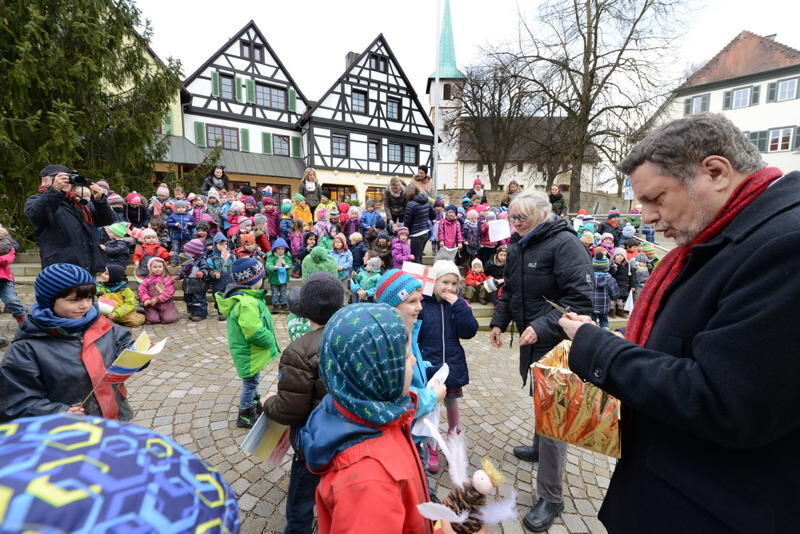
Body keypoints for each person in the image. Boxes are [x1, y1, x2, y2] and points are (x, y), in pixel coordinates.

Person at [557, 113, 800, 533]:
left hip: (711, 508)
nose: (647, 217)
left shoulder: (784, 245)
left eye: (657, 198)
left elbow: (726, 401)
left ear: (715, 172)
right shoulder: (725, 237)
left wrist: (599, 349)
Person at [488, 189, 593, 532]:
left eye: (521, 217)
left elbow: (579, 299)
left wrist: (541, 325)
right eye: (511, 217)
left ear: (543, 214)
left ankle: (552, 496)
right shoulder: (520, 244)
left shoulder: (565, 245)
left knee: (554, 417)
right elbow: (511, 291)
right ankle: (537, 447)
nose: (514, 223)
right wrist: (498, 321)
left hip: (560, 344)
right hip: (533, 342)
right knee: (539, 398)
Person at [298, 304, 433, 534]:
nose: (412, 362)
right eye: (406, 355)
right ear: (375, 371)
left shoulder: (360, 407)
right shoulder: (370, 484)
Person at [0, 264, 136, 422]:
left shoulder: (98, 322)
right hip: (69, 433)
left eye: (88, 297)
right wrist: (57, 413)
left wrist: (138, 353)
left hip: (114, 418)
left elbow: (122, 344)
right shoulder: (27, 348)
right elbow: (14, 402)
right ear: (49, 301)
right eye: (74, 300)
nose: (85, 305)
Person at [262, 273, 344, 534]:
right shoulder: (352, 337)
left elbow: (290, 409)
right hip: (349, 436)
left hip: (314, 442)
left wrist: (268, 403)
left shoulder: (298, 350)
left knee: (300, 504)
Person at [418, 260, 479, 473]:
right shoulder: (423, 304)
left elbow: (469, 331)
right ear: (434, 282)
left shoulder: (458, 305)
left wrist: (460, 307)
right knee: (432, 407)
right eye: (445, 282)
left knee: (452, 403)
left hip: (452, 363)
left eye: (454, 283)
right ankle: (432, 447)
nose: (450, 288)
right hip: (430, 364)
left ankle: (454, 438)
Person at [216, 258, 281, 428]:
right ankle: (244, 414)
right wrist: (269, 340)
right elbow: (253, 330)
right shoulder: (247, 303)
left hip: (249, 352)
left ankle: (253, 405)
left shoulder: (247, 298)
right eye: (261, 277)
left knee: (253, 381)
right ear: (252, 280)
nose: (263, 280)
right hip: (249, 353)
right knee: (250, 382)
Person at [25, 165, 116, 273]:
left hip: (88, 267)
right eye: (58, 177)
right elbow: (36, 214)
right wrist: (55, 190)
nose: (64, 181)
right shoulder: (36, 200)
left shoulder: (77, 202)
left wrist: (99, 201)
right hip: (60, 269)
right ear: (44, 181)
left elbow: (107, 220)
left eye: (67, 178)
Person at [137, 258, 179, 325]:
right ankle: (148, 313)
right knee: (153, 320)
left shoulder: (167, 279)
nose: (157, 269)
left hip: (165, 304)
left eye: (160, 267)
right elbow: (142, 290)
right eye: (155, 267)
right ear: (150, 268)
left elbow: (169, 292)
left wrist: (157, 299)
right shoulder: (147, 280)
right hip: (151, 304)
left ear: (163, 267)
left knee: (168, 319)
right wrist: (146, 299)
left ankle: (172, 312)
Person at [179, 238, 211, 322]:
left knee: (198, 299)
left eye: (188, 252)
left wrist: (202, 273)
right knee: (188, 299)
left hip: (198, 284)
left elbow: (205, 269)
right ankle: (192, 311)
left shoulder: (201, 260)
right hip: (188, 284)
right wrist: (178, 276)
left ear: (194, 252)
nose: (186, 254)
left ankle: (200, 313)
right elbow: (182, 271)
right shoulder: (186, 261)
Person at [403, 181, 435, 264]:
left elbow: (407, 222)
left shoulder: (411, 204)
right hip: (426, 232)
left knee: (414, 258)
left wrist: (405, 233)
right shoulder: (426, 200)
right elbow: (433, 215)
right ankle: (420, 275)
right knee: (419, 256)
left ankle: (416, 276)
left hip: (416, 234)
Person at [590, 253, 619, 329]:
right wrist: (614, 297)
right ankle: (605, 334)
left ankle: (592, 334)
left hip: (591, 304)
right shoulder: (609, 278)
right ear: (606, 267)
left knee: (591, 320)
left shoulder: (589, 276)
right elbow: (614, 291)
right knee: (604, 321)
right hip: (604, 305)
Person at [266, 238, 291, 313]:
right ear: (275, 249)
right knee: (274, 292)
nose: (281, 251)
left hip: (283, 278)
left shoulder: (286, 256)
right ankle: (275, 305)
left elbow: (290, 263)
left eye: (283, 249)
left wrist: (287, 266)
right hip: (274, 278)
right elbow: (268, 264)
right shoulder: (271, 256)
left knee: (283, 291)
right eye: (278, 249)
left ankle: (284, 303)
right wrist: (273, 267)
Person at [330, 234, 352, 303]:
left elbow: (350, 263)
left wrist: (342, 267)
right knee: (335, 289)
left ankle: (345, 302)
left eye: (339, 242)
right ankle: (336, 302)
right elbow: (329, 260)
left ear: (343, 243)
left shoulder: (347, 252)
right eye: (336, 242)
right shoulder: (332, 253)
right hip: (335, 274)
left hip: (344, 274)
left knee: (345, 289)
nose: (337, 244)